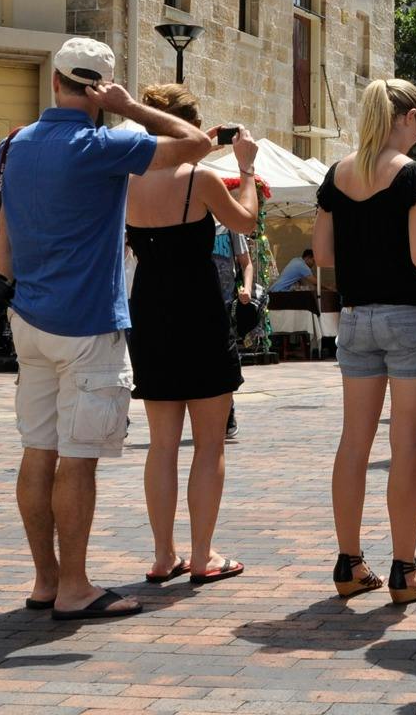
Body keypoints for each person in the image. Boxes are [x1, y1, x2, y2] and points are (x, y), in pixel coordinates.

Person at [0, 37, 213, 620]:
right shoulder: (103, 144)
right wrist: (131, 107)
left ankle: (46, 580)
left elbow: (3, 247)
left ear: (55, 80)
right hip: (86, 322)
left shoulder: (12, 147)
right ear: (100, 90)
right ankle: (76, 587)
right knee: (77, 458)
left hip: (29, 320)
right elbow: (196, 143)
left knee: (37, 451)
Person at [315, 79, 416, 604]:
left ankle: (349, 562)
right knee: (407, 444)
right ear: (409, 116)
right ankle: (405, 570)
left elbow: (323, 254)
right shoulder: (414, 176)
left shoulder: (338, 173)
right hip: (410, 316)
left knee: (354, 442)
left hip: (355, 317)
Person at [125, 84, 261, 587]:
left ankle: (164, 556)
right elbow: (245, 218)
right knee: (209, 444)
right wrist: (245, 168)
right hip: (199, 311)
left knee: (162, 444)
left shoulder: (128, 178)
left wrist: (197, 142)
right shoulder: (199, 178)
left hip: (150, 312)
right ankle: (202, 555)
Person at [210, 218, 253, 442]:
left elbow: (246, 262)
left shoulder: (229, 224)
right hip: (196, 304)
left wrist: (245, 287)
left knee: (225, 361)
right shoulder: (189, 219)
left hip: (225, 303)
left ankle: (228, 412)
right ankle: (210, 416)